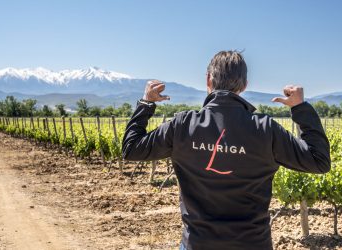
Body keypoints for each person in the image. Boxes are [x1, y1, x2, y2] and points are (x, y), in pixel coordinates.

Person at [121, 50, 331, 250]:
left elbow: (131, 149)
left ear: (208, 80)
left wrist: (146, 103)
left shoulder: (182, 125)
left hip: (198, 244)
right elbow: (318, 161)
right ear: (244, 85)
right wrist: (300, 108)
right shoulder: (265, 129)